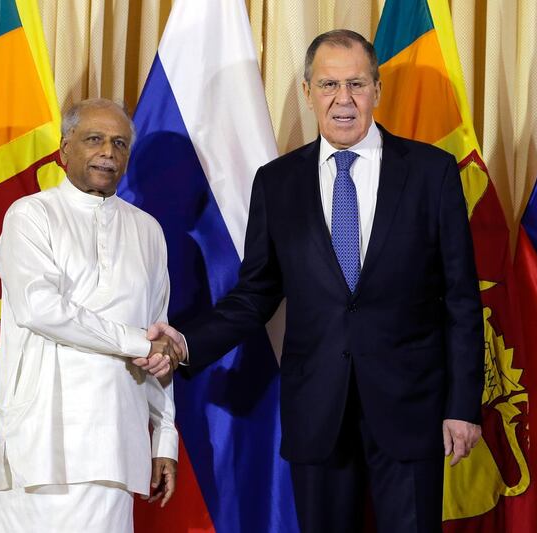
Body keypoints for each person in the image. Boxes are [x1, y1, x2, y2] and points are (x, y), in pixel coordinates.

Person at [140, 30, 483, 533]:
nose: (343, 100)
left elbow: (460, 299)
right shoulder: (277, 182)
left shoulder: (432, 173)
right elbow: (257, 292)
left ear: (377, 89)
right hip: (318, 412)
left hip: (412, 409)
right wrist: (187, 343)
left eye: (356, 85)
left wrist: (462, 406)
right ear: (306, 92)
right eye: (328, 85)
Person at [0, 99, 182, 532]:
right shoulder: (30, 216)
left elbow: (159, 341)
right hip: (41, 439)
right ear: (64, 149)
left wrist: (165, 434)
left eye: (119, 143)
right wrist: (137, 342)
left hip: (114, 438)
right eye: (94, 140)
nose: (108, 153)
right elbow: (41, 309)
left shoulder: (148, 231)